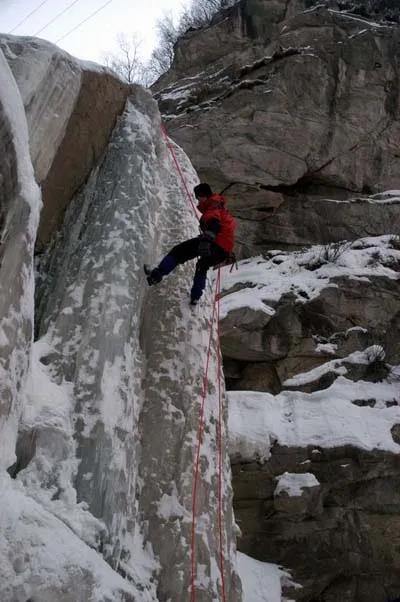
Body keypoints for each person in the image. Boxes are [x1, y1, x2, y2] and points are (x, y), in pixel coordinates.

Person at [146, 183, 235, 305]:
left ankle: (156, 275)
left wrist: (206, 239)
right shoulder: (220, 207)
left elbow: (215, 224)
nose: (197, 199)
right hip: (223, 250)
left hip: (213, 243)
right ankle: (195, 298)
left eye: (197, 197)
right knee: (202, 266)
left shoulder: (213, 207)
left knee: (179, 251)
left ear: (203, 196)